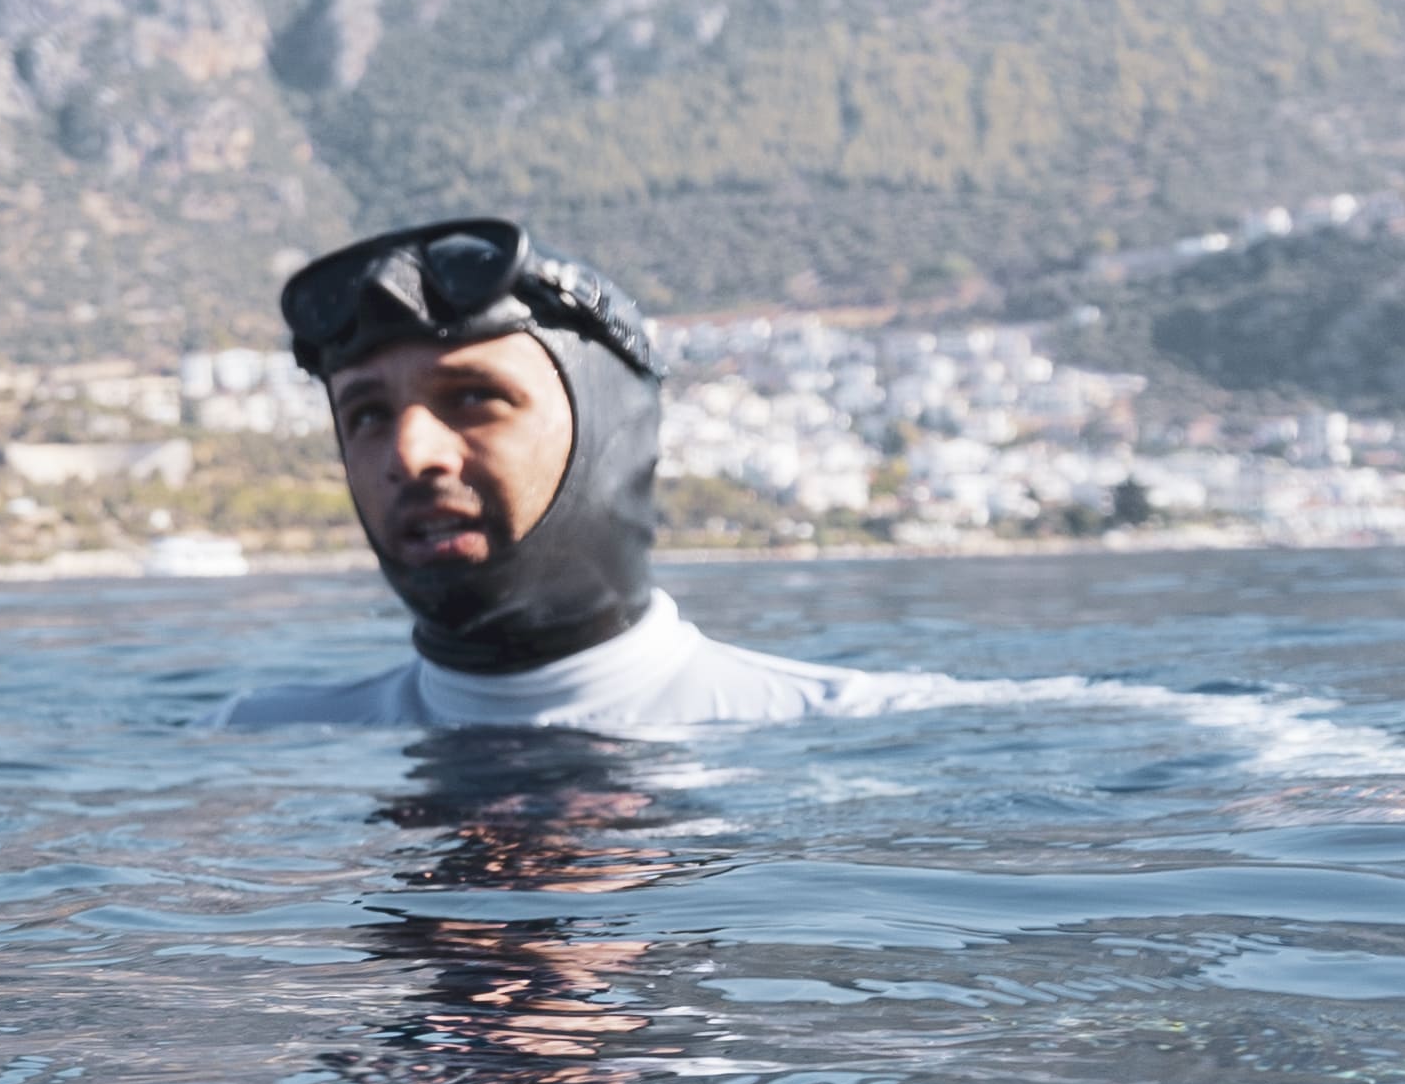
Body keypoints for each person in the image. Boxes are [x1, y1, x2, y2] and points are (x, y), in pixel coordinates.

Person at [220, 214, 945, 732]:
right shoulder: (256, 737)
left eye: (473, 398)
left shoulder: (876, 725)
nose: (411, 454)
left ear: (611, 426)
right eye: (368, 416)